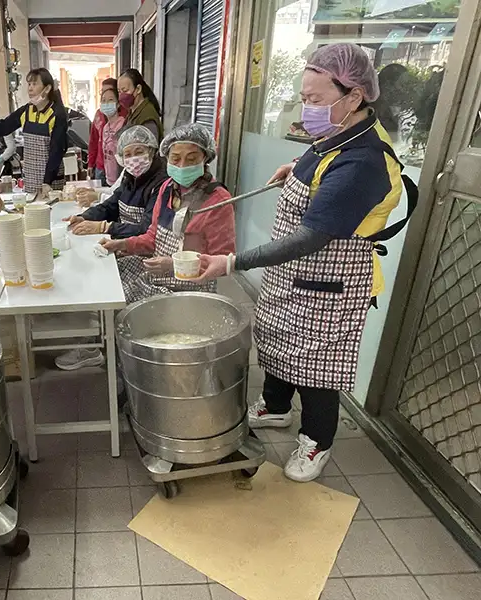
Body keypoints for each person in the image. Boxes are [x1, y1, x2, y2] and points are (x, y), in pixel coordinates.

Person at [193, 44, 414, 483]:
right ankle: (275, 407)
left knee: (317, 364)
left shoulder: (363, 163)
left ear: (353, 97)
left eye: (314, 100)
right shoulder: (339, 133)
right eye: (304, 97)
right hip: (293, 275)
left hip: (331, 281)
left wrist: (231, 261)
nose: (305, 108)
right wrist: (296, 166)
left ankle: (317, 440)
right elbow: (322, 163)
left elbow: (313, 236)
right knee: (276, 339)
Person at [56, 125, 167, 371]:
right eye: (128, 154)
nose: (134, 158)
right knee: (89, 273)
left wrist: (105, 227)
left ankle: (125, 361)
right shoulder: (130, 177)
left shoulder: (161, 183)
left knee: (106, 290)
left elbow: (147, 229)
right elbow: (112, 204)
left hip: (148, 256)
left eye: (139, 151)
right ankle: (94, 344)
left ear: (152, 151)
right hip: (125, 246)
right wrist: (84, 216)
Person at [101, 123, 235, 303]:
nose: (182, 165)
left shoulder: (217, 199)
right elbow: (152, 237)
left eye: (191, 159)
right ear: (167, 159)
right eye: (175, 159)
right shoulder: (166, 189)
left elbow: (223, 261)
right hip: (159, 280)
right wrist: (121, 244)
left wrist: (174, 265)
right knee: (109, 283)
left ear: (205, 158)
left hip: (191, 290)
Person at [0, 68, 68, 197]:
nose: (30, 89)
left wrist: (47, 182)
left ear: (47, 88)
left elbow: (57, 151)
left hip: (51, 179)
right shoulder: (26, 111)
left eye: (35, 84)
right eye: (29, 84)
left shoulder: (57, 115)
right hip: (31, 178)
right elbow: (5, 126)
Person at [88, 78, 125, 183]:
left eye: (110, 99)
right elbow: (93, 140)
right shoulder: (100, 119)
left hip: (118, 174)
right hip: (102, 167)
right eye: (103, 99)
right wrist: (91, 163)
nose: (107, 103)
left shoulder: (123, 122)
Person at [118, 68, 164, 141]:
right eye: (119, 91)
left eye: (125, 90)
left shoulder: (147, 116)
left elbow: (149, 147)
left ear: (138, 89)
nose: (121, 95)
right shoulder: (132, 111)